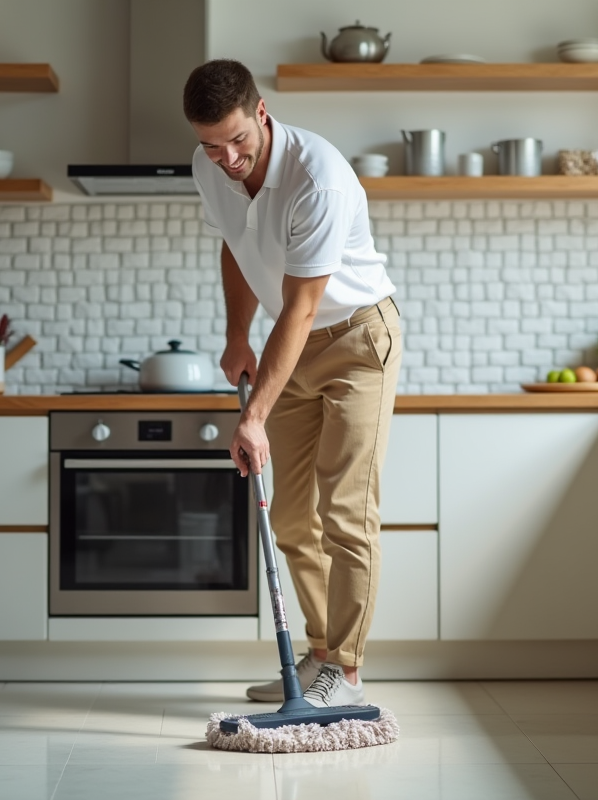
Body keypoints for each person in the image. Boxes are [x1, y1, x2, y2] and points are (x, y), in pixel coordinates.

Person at [183, 59, 402, 708]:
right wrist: (234, 337)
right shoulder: (209, 167)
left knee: (345, 511)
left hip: (358, 342)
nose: (225, 157)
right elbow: (234, 244)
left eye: (237, 141)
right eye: (210, 144)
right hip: (291, 344)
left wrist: (253, 416)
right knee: (291, 519)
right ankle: (321, 655)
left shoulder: (319, 178)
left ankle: (349, 672)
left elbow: (305, 306)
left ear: (262, 114)